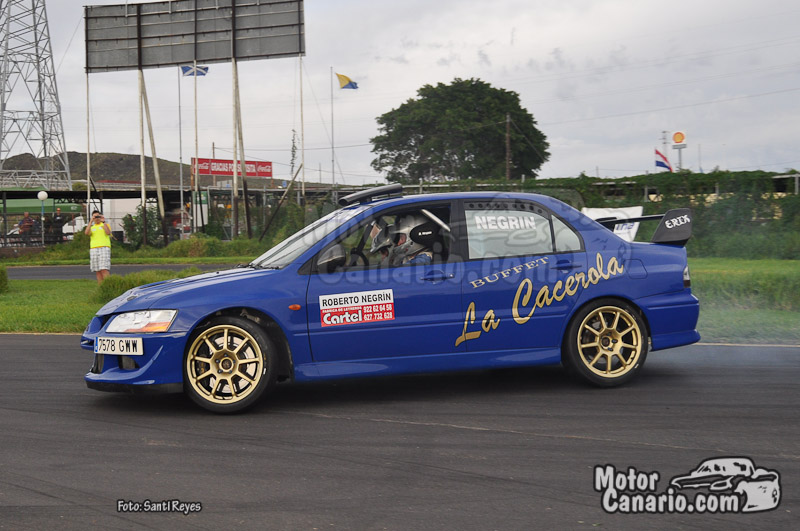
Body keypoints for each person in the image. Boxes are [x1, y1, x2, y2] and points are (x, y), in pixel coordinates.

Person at [84, 210, 112, 283]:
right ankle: (101, 287)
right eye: (95, 217)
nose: (97, 218)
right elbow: (86, 233)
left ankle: (108, 284)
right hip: (94, 248)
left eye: (98, 216)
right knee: (97, 270)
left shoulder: (104, 225)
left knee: (104, 268)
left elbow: (108, 232)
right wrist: (91, 221)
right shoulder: (92, 227)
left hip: (104, 247)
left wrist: (103, 221)